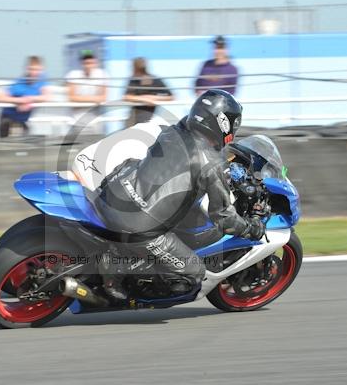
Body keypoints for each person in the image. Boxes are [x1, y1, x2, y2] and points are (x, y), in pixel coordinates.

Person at [93, 89, 265, 300]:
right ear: (223, 124)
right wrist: (252, 228)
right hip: (137, 226)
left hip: (113, 194)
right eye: (233, 123)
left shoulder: (173, 131)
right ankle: (118, 276)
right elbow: (224, 219)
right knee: (194, 275)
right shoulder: (211, 164)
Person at [0, 56, 51, 138]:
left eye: (37, 70)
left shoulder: (42, 80)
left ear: (41, 69)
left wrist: (30, 99)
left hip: (23, 121)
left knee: (26, 140)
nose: (34, 72)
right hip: (8, 119)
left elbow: (47, 97)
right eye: (31, 69)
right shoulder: (20, 83)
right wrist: (19, 101)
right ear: (27, 69)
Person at [123, 57, 174, 127]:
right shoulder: (134, 80)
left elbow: (171, 97)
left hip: (151, 119)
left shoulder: (155, 80)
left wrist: (153, 98)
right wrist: (145, 99)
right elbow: (127, 97)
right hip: (135, 119)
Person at [65, 50, 108, 124]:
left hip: (96, 118)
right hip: (75, 118)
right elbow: (71, 97)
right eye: (85, 63)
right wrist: (95, 99)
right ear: (81, 63)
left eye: (91, 63)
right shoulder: (73, 74)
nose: (88, 66)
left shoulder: (102, 74)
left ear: (96, 63)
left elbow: (103, 98)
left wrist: (80, 99)